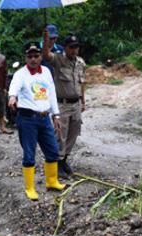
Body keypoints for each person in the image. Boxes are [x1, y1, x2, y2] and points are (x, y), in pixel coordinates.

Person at [8, 41, 65, 201]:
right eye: (30, 56)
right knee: (29, 154)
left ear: (41, 56)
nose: (33, 59)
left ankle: (52, 181)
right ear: (25, 58)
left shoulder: (46, 71)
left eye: (36, 56)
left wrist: (56, 115)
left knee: (53, 150)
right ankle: (30, 187)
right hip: (27, 118)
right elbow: (14, 87)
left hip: (45, 117)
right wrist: (12, 97)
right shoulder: (21, 74)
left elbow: (52, 93)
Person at [42, 31, 86, 178]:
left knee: (74, 133)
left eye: (76, 47)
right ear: (65, 48)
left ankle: (64, 159)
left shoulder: (80, 63)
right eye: (71, 47)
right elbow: (46, 55)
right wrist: (46, 39)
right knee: (60, 135)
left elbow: (82, 83)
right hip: (62, 104)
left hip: (76, 104)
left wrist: (83, 101)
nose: (74, 50)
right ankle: (58, 163)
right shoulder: (59, 60)